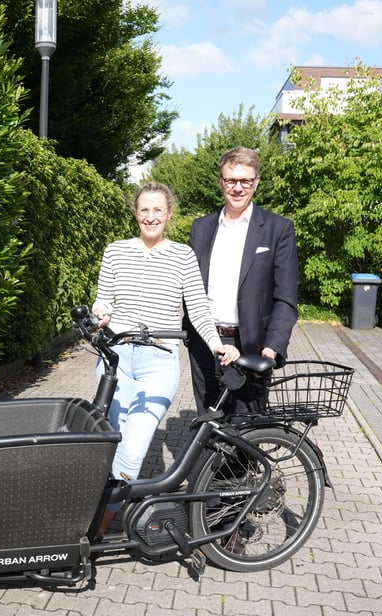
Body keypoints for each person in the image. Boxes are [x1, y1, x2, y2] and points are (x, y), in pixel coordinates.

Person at [92, 182, 238, 531]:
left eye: (158, 210)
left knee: (134, 448)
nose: (151, 216)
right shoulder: (115, 252)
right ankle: (104, 510)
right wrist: (102, 312)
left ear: (169, 214)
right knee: (108, 439)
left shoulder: (183, 256)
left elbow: (198, 309)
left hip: (158, 360)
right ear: (135, 213)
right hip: (115, 359)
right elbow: (103, 298)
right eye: (144, 209)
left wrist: (217, 343)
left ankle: (98, 524)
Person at [184, 147, 298, 416]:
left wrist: (273, 345)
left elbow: (285, 295)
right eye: (231, 180)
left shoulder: (277, 228)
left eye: (245, 180)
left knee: (246, 431)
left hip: (252, 346)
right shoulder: (201, 228)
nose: (238, 188)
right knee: (208, 424)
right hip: (205, 344)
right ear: (220, 182)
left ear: (256, 182)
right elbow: (187, 286)